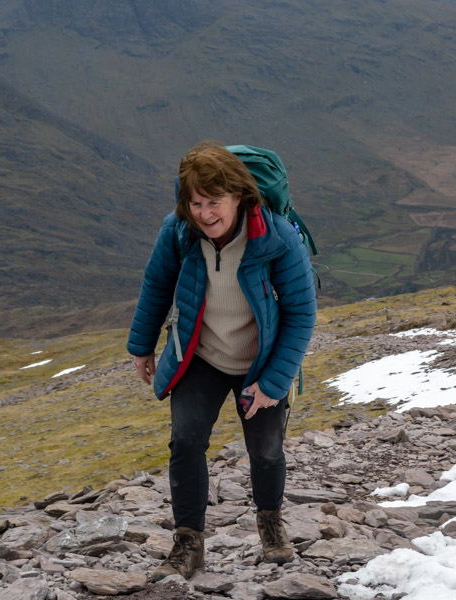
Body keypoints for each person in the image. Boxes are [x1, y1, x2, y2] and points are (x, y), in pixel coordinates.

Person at [127, 142, 317, 581]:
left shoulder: (277, 238)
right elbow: (156, 284)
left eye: (215, 202)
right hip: (202, 355)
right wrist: (142, 345)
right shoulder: (177, 231)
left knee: (266, 452)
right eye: (195, 203)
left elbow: (301, 314)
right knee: (186, 442)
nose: (205, 214)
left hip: (261, 361)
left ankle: (271, 525)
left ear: (240, 197)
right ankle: (188, 544)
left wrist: (273, 383)